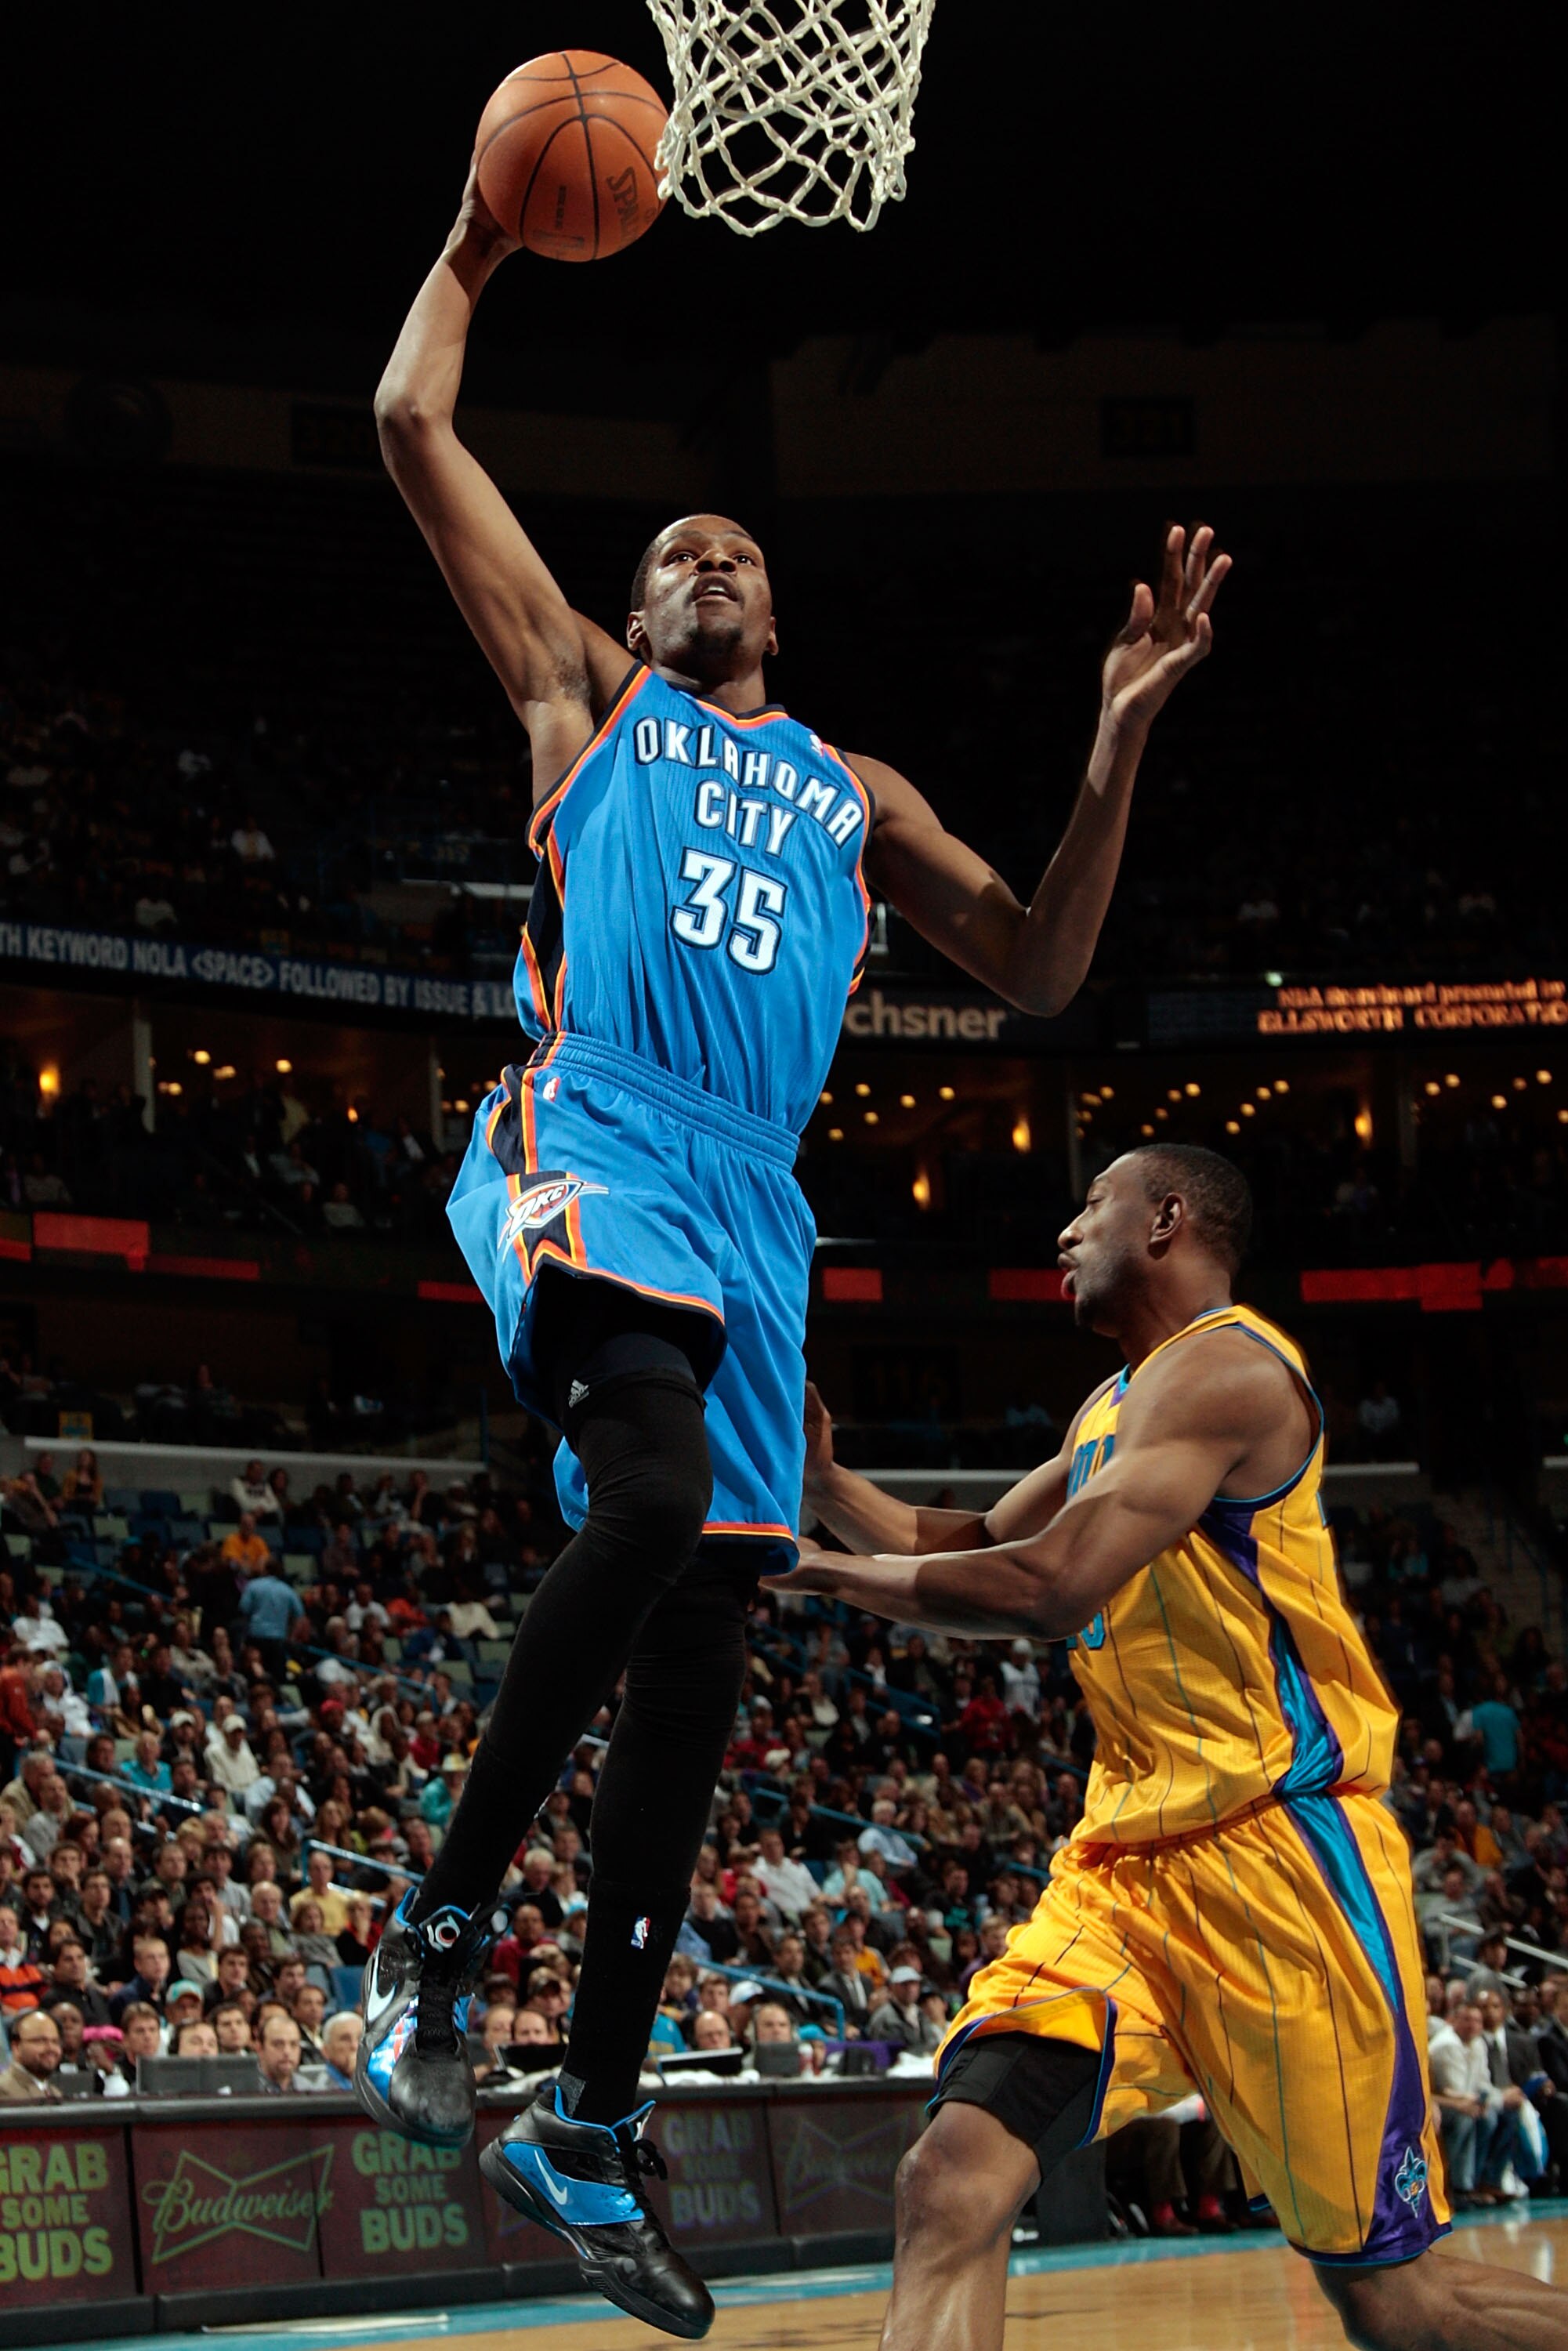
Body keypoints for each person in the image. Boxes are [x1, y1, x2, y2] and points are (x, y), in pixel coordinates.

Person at [356, 151, 1229, 2347]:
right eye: (671, 552)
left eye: (730, 542)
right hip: (603, 1125)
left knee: (711, 1637)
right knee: (650, 1497)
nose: (703, 554)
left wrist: (1113, 749)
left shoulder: (849, 783)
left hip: (755, 1194)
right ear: (633, 622)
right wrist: (475, 242)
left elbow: (1035, 965)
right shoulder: (586, 700)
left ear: (777, 611)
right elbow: (406, 427)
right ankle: (437, 1944)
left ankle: (588, 2108)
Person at [774, 1144, 1568, 2349]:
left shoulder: (1230, 1375)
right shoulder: (1113, 1407)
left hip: (1285, 1869)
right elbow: (973, 1533)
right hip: (1127, 1874)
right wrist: (825, 1486)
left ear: (1167, 1219)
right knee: (952, 2176)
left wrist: (800, 1569)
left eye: (1090, 1205)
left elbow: (1047, 1585)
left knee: (1401, 2308)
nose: (1063, 1233)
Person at [0, 2005, 62, 2101]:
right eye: (40, 2041)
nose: (51, 2048)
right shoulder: (4, 2091)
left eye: (55, 2041)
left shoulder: (56, 2093)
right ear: (16, 2047)